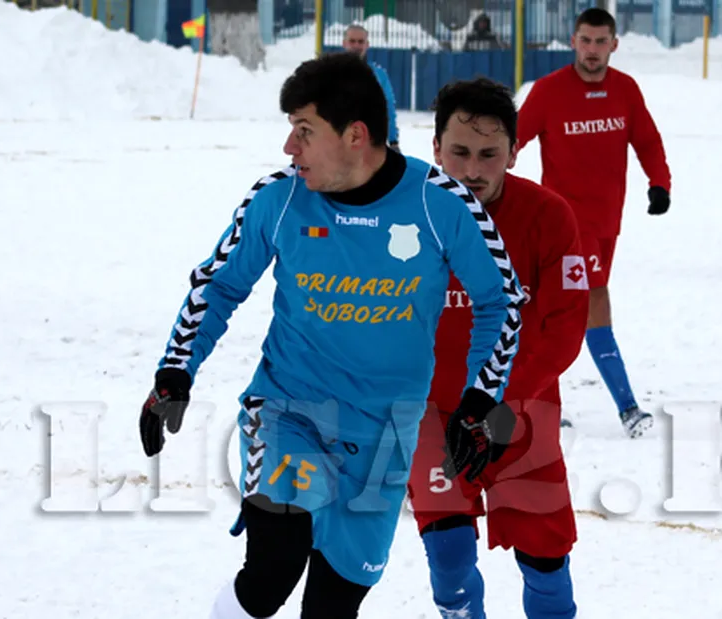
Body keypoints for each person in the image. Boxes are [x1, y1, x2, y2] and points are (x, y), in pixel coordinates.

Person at [137, 53, 526, 619]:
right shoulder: (279, 197)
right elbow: (218, 286)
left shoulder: (439, 202)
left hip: (386, 434)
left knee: (333, 603)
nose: (289, 149)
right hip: (290, 411)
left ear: (355, 135)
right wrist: (176, 370)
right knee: (275, 566)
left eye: (303, 132)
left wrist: (479, 400)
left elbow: (502, 301)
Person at [409, 78, 589, 619]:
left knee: (545, 562)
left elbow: (563, 327)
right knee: (449, 555)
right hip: (431, 417)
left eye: (490, 154)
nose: (472, 169)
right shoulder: (404, 218)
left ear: (514, 150)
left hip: (518, 415)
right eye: (459, 152)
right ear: (435, 148)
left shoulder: (549, 215)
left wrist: (494, 403)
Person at [517, 7, 671, 439]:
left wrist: (660, 182)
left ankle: (542, 402)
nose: (592, 50)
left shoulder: (625, 90)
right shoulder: (548, 92)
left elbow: (647, 141)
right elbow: (513, 140)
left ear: (614, 45)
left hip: (606, 223)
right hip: (562, 224)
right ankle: (624, 408)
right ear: (573, 41)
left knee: (570, 306)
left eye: (601, 42)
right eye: (585, 40)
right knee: (578, 305)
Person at [342, 24, 400, 151]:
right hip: (338, 144)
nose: (356, 46)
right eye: (352, 41)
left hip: (370, 145)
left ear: (367, 45)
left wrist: (393, 141)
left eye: (360, 42)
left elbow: (388, 107)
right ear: (344, 43)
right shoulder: (330, 73)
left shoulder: (379, 75)